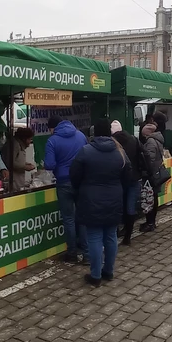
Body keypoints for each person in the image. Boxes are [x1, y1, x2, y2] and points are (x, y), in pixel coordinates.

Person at [71, 119, 131, 286]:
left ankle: (95, 275)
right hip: (114, 197)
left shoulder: (86, 151)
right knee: (111, 236)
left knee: (95, 237)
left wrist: (81, 189)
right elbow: (128, 176)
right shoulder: (120, 152)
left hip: (91, 198)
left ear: (94, 133)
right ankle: (109, 271)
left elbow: (74, 176)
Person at [45, 115, 89, 263]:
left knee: (69, 218)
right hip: (81, 181)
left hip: (63, 182)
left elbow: (49, 165)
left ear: (53, 128)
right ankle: (86, 251)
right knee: (82, 217)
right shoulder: (81, 135)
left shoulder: (52, 140)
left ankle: (72, 253)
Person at [111, 120, 142, 244]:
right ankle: (128, 236)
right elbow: (142, 155)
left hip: (118, 179)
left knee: (118, 206)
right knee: (130, 207)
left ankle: (116, 232)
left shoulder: (113, 143)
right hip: (133, 178)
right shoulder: (134, 139)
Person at [139, 122, 166, 232]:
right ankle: (151, 221)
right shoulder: (157, 140)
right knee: (153, 197)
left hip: (151, 174)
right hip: (156, 173)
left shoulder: (150, 142)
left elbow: (149, 159)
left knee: (149, 198)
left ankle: (150, 222)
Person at [10, 127, 36, 191]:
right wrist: (25, 167)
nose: (30, 142)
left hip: (18, 180)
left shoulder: (19, 145)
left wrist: (26, 164)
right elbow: (10, 162)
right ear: (24, 139)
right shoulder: (14, 145)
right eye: (29, 139)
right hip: (13, 180)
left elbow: (17, 160)